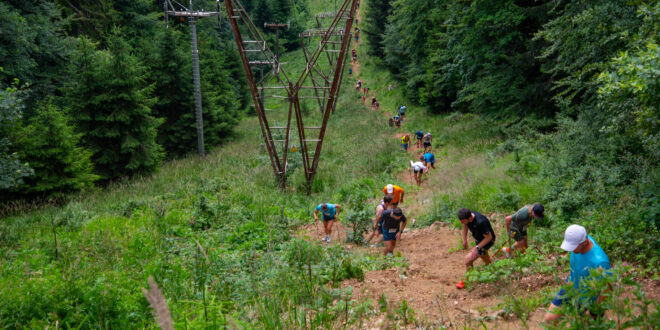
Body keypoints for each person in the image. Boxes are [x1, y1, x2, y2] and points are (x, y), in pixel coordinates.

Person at [544, 224, 612, 323]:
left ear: (584, 242)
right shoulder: (579, 241)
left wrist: (593, 312)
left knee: (585, 324)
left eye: (573, 246)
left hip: (589, 298)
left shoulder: (600, 262)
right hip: (572, 284)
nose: (570, 249)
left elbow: (607, 290)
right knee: (549, 319)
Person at [456, 208, 496, 289]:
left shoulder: (481, 222)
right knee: (484, 256)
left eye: (463, 220)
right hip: (479, 239)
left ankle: (468, 280)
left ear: (470, 218)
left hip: (487, 241)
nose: (461, 222)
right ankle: (492, 270)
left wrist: (476, 248)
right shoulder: (467, 216)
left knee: (468, 259)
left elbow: (489, 238)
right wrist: (464, 239)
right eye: (461, 220)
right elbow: (465, 225)